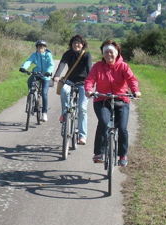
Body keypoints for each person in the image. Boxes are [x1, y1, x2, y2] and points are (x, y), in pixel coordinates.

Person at [84, 39, 141, 167]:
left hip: (121, 100)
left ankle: (122, 155)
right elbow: (90, 79)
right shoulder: (98, 66)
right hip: (102, 99)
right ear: (102, 54)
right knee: (104, 122)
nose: (108, 55)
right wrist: (89, 90)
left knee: (122, 128)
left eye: (111, 52)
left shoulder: (123, 66)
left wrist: (135, 91)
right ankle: (99, 153)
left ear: (117, 53)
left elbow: (131, 79)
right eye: (105, 52)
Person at [53, 35, 92, 145]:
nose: (76, 44)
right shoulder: (68, 53)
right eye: (74, 42)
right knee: (64, 91)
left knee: (82, 108)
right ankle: (65, 113)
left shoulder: (86, 55)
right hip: (69, 81)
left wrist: (91, 83)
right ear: (71, 44)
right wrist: (56, 76)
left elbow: (89, 70)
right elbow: (61, 65)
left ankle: (82, 135)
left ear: (83, 44)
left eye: (79, 43)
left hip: (83, 83)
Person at [19, 40, 54, 122]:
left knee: (44, 93)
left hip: (45, 76)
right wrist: (24, 67)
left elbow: (51, 64)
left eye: (42, 46)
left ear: (45, 48)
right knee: (29, 81)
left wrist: (48, 71)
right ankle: (32, 97)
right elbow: (29, 61)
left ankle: (44, 113)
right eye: (38, 46)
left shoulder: (48, 55)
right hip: (36, 73)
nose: (40, 48)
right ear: (37, 48)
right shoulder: (34, 55)